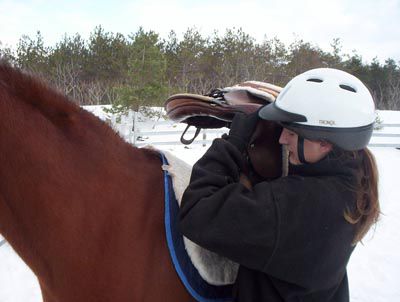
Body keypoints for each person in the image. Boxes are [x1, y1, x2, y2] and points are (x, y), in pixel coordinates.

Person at [179, 68, 380, 302]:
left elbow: (198, 210)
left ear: (325, 142)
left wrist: (232, 144)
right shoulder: (355, 183)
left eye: (292, 132)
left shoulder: (297, 206)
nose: (282, 139)